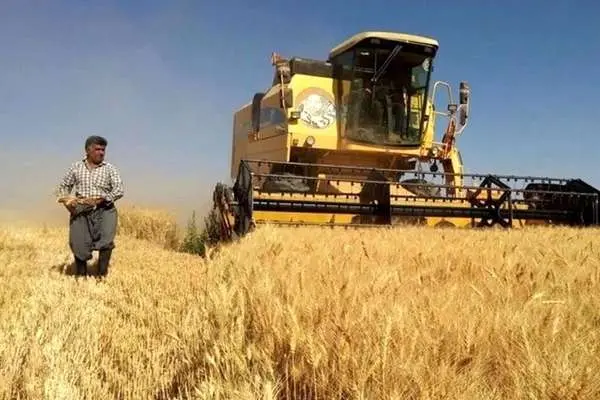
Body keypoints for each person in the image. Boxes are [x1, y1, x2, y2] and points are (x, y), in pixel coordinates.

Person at [55, 135, 124, 278]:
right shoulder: (76, 167)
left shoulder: (110, 169)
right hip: (81, 209)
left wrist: (100, 200)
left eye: (103, 150)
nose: (101, 153)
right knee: (79, 243)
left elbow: (119, 190)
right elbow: (62, 188)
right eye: (97, 149)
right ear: (87, 150)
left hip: (105, 209)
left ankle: (102, 275)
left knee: (106, 241)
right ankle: (81, 277)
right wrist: (68, 202)